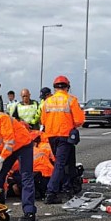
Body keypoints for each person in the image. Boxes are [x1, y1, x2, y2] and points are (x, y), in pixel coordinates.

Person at [40, 75, 85, 204]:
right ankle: (51, 192)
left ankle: (67, 187)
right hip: (65, 135)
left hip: (51, 136)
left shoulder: (47, 101)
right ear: (67, 87)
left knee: (67, 163)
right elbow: (79, 120)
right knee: (61, 164)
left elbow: (43, 120)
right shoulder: (71, 100)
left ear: (54, 88)